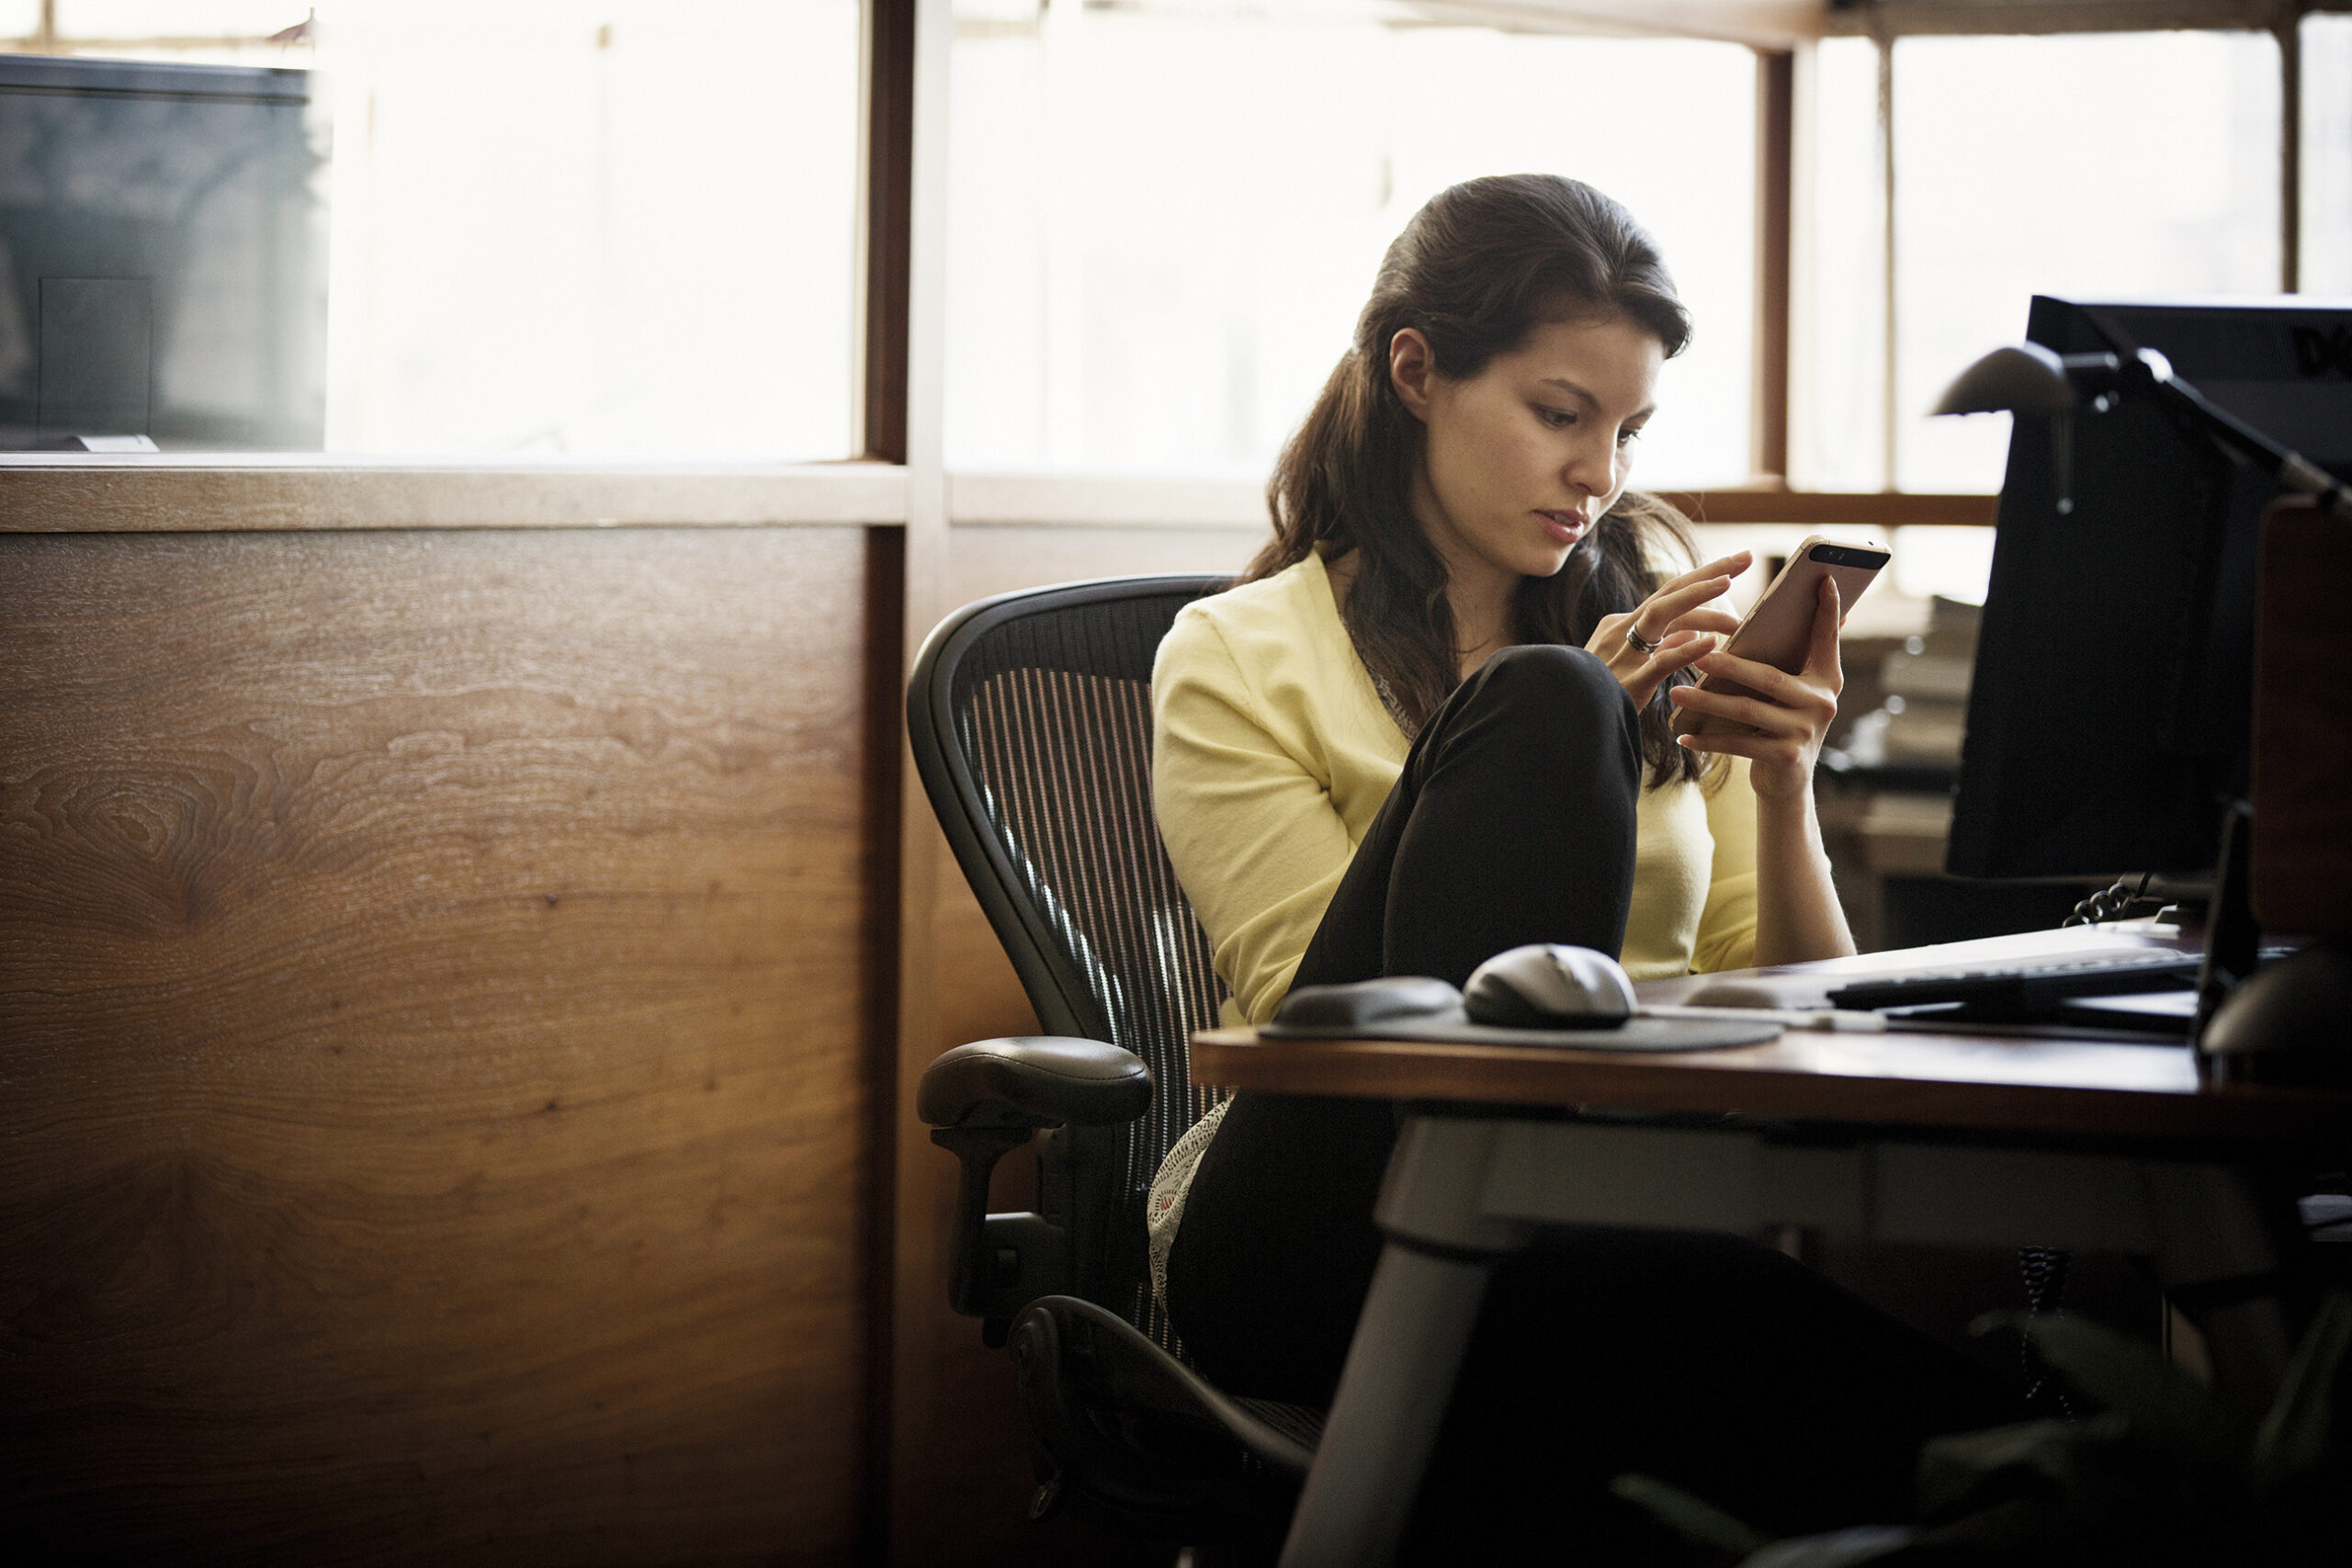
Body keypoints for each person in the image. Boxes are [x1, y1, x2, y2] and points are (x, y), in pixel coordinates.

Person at [1148, 175, 2018, 1560]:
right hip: (1313, 1221)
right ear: (1417, 373)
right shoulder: (1238, 653)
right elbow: (1306, 1033)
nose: (1599, 474)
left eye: (1626, 430)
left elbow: (1807, 1028)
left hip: (1608, 1213)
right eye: (1561, 415)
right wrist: (1572, 743)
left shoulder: (1655, 642)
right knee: (1548, 705)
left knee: (2012, 1460)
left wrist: (1784, 783)